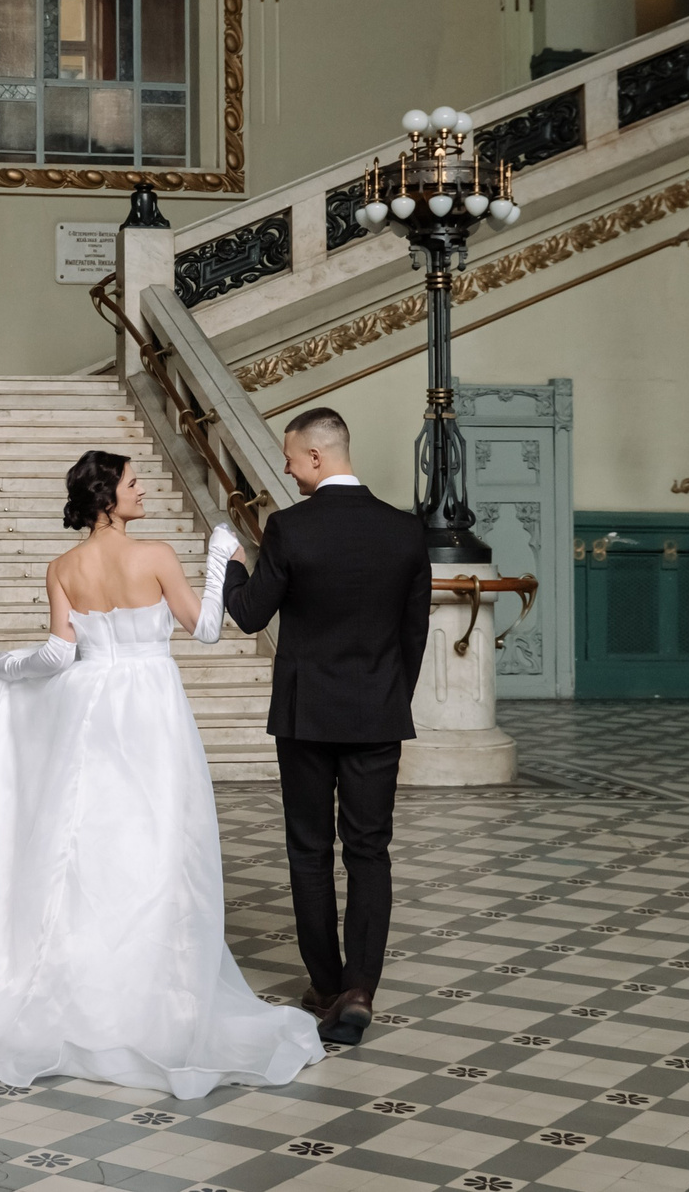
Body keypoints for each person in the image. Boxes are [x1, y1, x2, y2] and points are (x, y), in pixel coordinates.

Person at [0, 451, 326, 1098]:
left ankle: (74, 976)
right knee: (156, 839)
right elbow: (209, 628)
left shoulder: (63, 567)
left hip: (89, 709)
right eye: (134, 481)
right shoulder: (156, 555)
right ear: (108, 495)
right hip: (150, 707)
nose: (144, 489)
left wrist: (7, 667)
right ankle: (141, 983)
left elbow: (58, 652)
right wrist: (223, 557)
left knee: (84, 839)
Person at [220, 406, 430, 1047]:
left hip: (306, 715)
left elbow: (252, 616)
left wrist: (229, 562)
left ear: (316, 457)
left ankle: (324, 984)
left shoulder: (289, 529)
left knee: (309, 851)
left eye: (290, 456)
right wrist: (388, 698)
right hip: (376, 712)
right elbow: (413, 635)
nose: (284, 466)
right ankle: (360, 989)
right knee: (370, 851)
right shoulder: (404, 530)